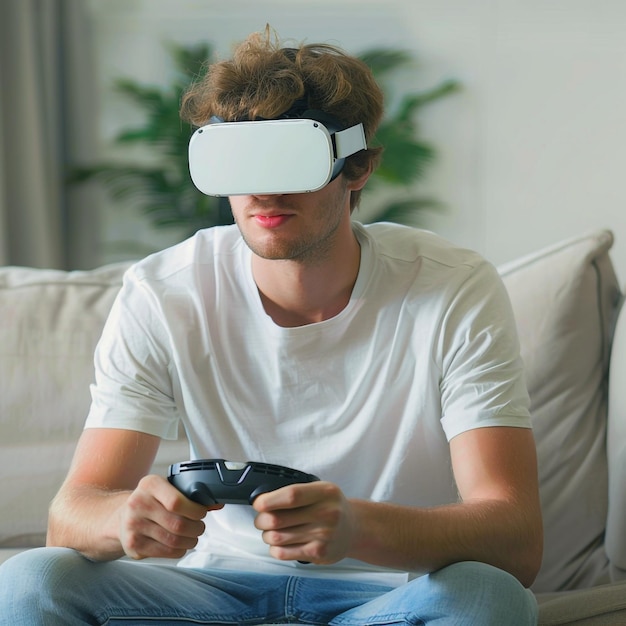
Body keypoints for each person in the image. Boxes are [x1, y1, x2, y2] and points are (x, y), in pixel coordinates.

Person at [0, 27, 543, 625]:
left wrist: (359, 528)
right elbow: (70, 515)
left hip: (387, 598)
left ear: (355, 166)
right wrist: (122, 519)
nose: (262, 190)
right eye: (239, 161)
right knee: (31, 581)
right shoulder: (164, 294)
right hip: (215, 593)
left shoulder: (451, 288)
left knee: (489, 596)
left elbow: (515, 538)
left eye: (291, 159)